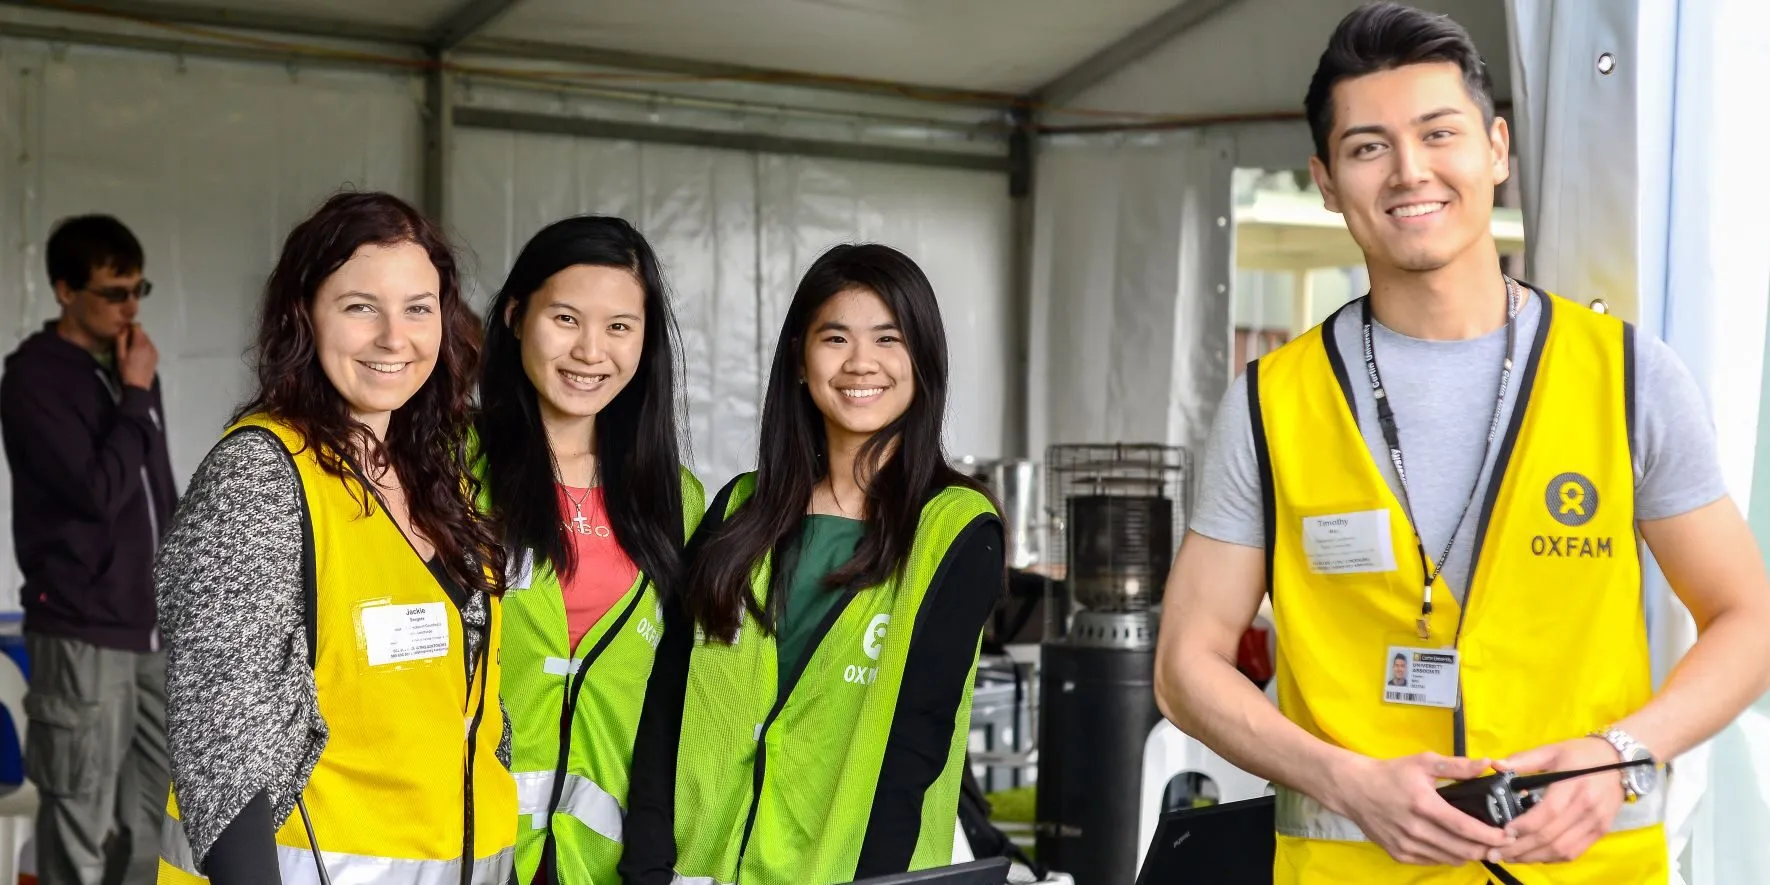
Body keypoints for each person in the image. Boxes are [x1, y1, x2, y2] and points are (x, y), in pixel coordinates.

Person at [1154, 4, 1770, 884]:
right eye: (1368, 147)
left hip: (1588, 868)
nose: (1411, 171)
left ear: (1497, 150)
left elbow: (1748, 620)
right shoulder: (1270, 401)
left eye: (1438, 133)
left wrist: (1625, 750)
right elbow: (1184, 666)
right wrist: (1346, 780)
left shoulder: (1627, 375)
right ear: (1325, 181)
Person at [152, 192, 517, 884]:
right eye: (359, 307)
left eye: (418, 306)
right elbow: (222, 746)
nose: (394, 336)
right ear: (303, 315)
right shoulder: (260, 477)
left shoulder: (437, 474)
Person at [619, 244, 1004, 885]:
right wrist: (649, 868)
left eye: (889, 338)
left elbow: (916, 745)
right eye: (836, 338)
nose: (861, 363)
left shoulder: (955, 528)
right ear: (800, 359)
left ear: (924, 361)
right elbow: (667, 705)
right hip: (701, 872)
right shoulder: (739, 512)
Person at [474, 216, 704, 885]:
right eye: (567, 318)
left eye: (619, 327)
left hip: (608, 866)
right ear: (517, 315)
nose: (591, 351)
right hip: (468, 850)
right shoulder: (448, 472)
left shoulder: (676, 501)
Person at [0, 213, 174, 885]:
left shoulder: (128, 365)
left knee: (153, 818)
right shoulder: (34, 381)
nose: (130, 307)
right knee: (78, 816)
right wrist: (133, 392)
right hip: (81, 629)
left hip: (153, 628)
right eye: (113, 292)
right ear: (64, 290)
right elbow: (95, 492)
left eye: (139, 289)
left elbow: (154, 487)